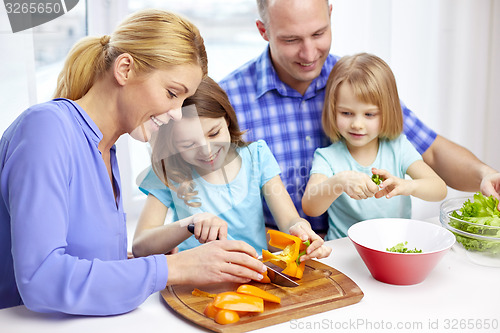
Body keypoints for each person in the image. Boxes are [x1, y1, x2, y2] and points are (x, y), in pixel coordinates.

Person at [0, 9, 268, 315]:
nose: (177, 114)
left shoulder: (106, 151)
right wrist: (172, 267)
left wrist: (140, 261)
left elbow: (87, 266)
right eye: (171, 93)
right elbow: (42, 280)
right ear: (125, 69)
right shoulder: (46, 128)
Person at [218, 0, 500, 234]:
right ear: (263, 30)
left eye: (318, 34)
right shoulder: (228, 100)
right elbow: (203, 192)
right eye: (291, 39)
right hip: (276, 249)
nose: (308, 53)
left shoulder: (353, 83)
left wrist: (485, 175)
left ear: (330, 15)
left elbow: (432, 153)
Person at [133, 76, 331, 260]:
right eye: (188, 145)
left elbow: (289, 221)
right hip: (195, 277)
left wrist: (302, 230)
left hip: (253, 270)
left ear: (227, 120)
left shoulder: (257, 156)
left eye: (214, 133)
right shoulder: (168, 170)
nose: (207, 151)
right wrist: (190, 224)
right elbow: (140, 246)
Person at [302, 53, 447, 239]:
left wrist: (407, 186)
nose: (357, 124)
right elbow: (310, 206)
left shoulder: (398, 147)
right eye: (346, 113)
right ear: (333, 110)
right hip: (344, 253)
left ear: (387, 112)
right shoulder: (327, 157)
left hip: (393, 247)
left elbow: (439, 189)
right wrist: (339, 182)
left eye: (369, 115)